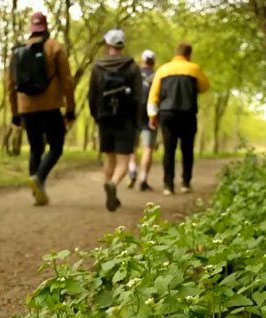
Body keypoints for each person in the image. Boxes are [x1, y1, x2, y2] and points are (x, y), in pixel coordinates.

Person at [8, 12, 76, 206]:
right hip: (51, 106)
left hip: (26, 108)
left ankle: (37, 190)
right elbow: (67, 81)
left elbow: (10, 85)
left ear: (31, 27)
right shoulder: (55, 47)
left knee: (35, 148)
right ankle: (39, 179)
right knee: (56, 146)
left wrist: (15, 114)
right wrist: (70, 110)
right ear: (46, 27)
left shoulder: (17, 50)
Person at [88, 29, 142, 211]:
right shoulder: (132, 66)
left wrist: (97, 117)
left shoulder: (97, 67)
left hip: (105, 119)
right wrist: (137, 122)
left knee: (109, 158)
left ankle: (109, 192)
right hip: (125, 120)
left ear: (107, 46)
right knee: (123, 162)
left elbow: (92, 96)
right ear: (122, 46)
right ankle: (113, 184)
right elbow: (138, 98)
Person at [147, 42, 210, 195]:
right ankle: (186, 183)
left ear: (176, 53)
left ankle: (168, 185)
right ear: (189, 54)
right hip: (187, 114)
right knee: (187, 150)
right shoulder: (194, 69)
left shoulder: (163, 70)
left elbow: (154, 94)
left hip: (167, 114)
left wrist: (152, 116)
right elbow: (205, 86)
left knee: (169, 150)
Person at [129, 49, 157, 191]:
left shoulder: (133, 74)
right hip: (150, 115)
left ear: (142, 60)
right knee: (148, 148)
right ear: (153, 62)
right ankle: (143, 179)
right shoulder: (156, 76)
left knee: (132, 146)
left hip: (133, 114)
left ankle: (132, 169)